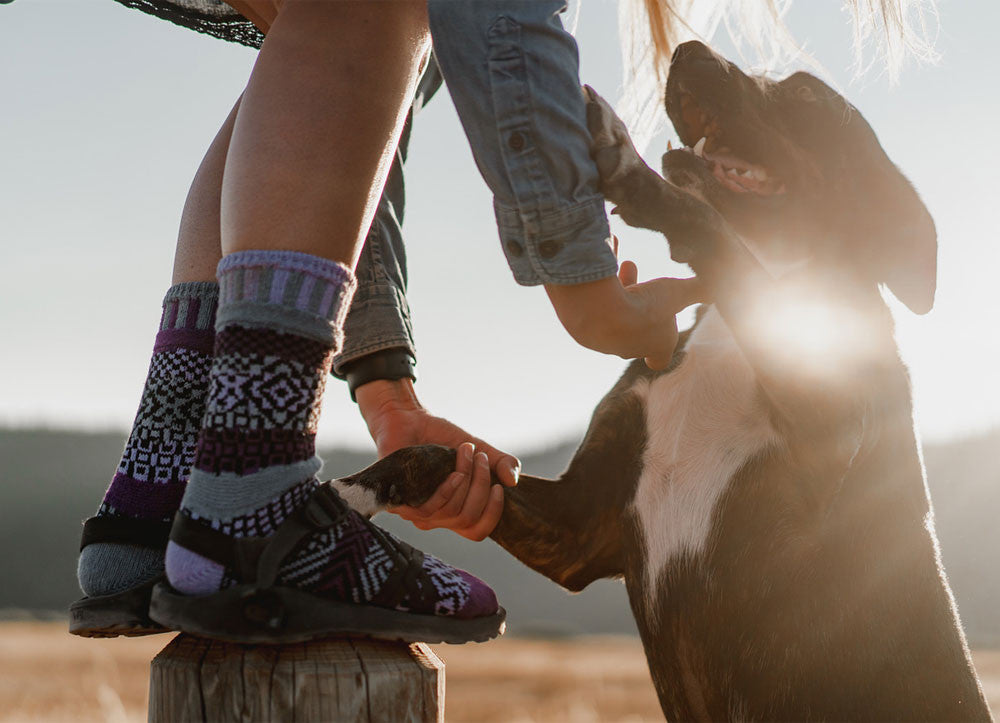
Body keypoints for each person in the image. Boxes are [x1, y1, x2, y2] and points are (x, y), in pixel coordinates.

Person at [69, 0, 928, 643]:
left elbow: (367, 117)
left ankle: (159, 495)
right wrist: (586, 281)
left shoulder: (854, 365)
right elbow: (494, 14)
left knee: (342, 13)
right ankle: (249, 507)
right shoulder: (691, 353)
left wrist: (386, 389)